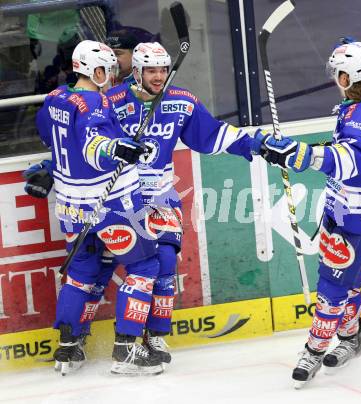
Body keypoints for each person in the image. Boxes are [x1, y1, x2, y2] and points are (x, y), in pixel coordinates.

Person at [100, 41, 266, 366]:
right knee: (122, 272)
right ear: (136, 71)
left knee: (165, 264)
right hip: (124, 197)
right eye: (151, 70)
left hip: (161, 194)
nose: (159, 76)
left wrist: (256, 143)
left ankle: (157, 334)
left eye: (163, 69)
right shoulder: (112, 102)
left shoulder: (181, 102)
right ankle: (116, 341)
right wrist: (49, 168)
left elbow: (213, 134)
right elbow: (84, 136)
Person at [258, 39, 361, 389]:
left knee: (333, 285)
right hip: (348, 206)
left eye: (337, 72)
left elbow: (350, 161)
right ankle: (351, 338)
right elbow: (348, 151)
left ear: (347, 77)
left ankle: (314, 349)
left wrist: (299, 154)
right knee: (344, 280)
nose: (335, 79)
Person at [33, 39, 166, 376]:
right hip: (112, 204)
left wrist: (116, 143)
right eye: (106, 69)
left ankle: (68, 349)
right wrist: (118, 149)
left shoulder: (55, 98)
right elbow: (94, 144)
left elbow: (51, 137)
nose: (110, 75)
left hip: (71, 208)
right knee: (144, 267)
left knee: (80, 275)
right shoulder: (94, 101)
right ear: (93, 69)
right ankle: (126, 351)